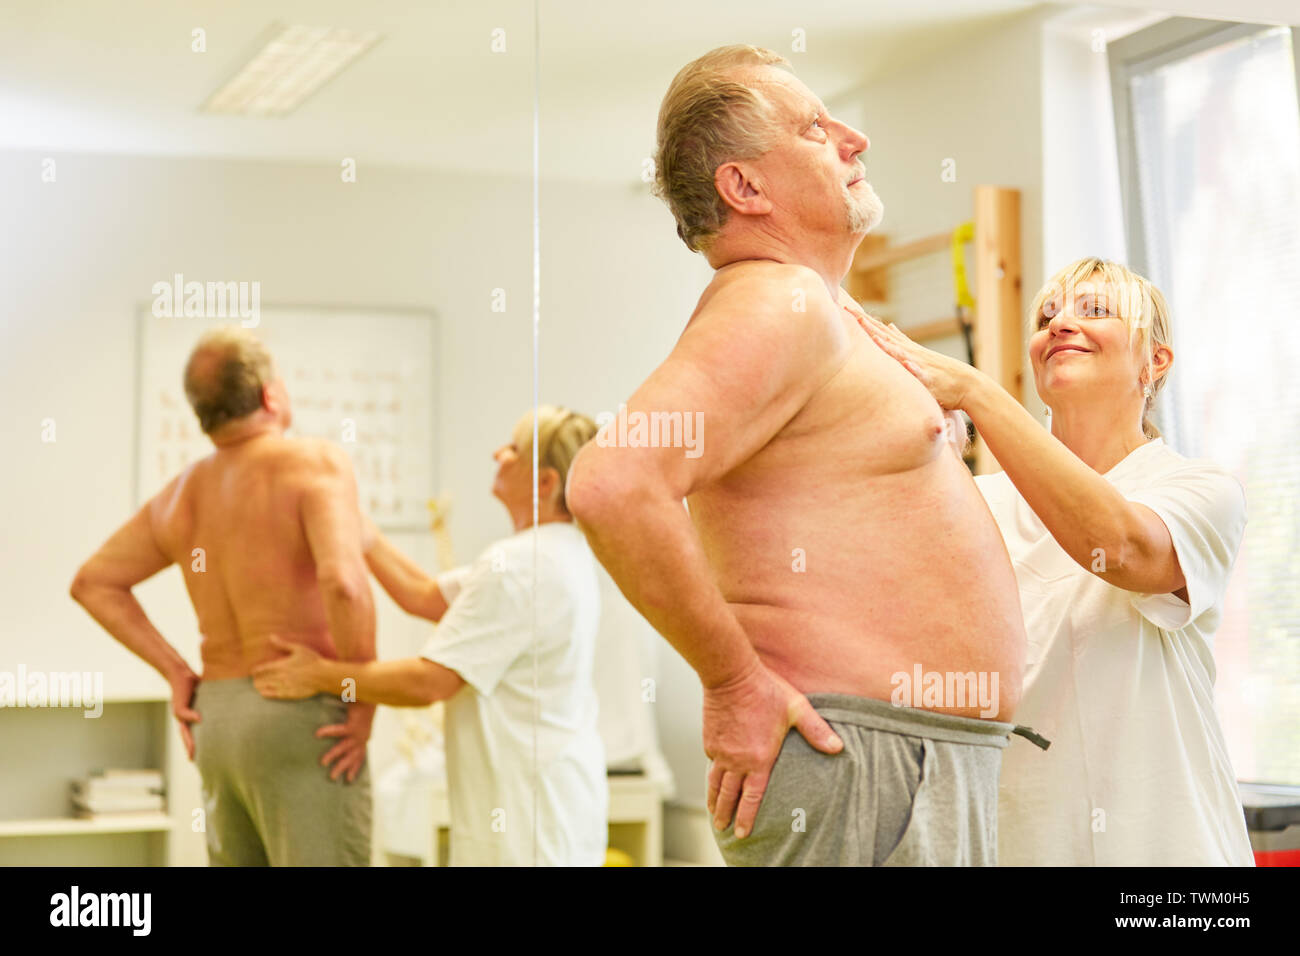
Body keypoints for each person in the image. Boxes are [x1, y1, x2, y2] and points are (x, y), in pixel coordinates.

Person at [565, 44, 1046, 868]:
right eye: (815, 130)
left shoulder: (823, 308)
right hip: (858, 756)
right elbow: (612, 482)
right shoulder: (779, 300)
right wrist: (733, 683)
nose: (854, 138)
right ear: (744, 188)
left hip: (900, 757)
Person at [856, 256, 1253, 865]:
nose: (1061, 324)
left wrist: (978, 392)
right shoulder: (977, 503)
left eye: (1094, 310)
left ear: (1155, 362)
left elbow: (1121, 547)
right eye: (1047, 316)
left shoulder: (1200, 492)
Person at [70, 326, 375, 866]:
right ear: (270, 394)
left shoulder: (180, 494)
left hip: (218, 717)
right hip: (301, 711)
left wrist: (175, 670)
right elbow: (344, 585)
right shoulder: (315, 463)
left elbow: (93, 583)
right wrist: (362, 694)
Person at [253, 406, 608, 866]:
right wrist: (356, 526)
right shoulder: (557, 553)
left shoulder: (522, 567)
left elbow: (429, 683)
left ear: (545, 483)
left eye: (514, 450)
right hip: (558, 809)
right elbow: (422, 596)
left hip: (529, 827)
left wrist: (320, 674)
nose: (497, 454)